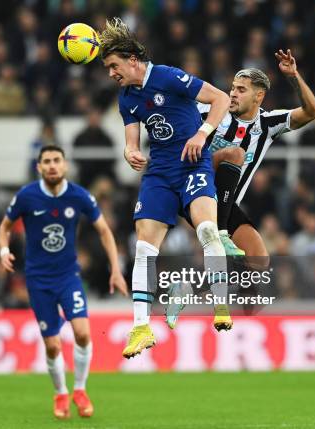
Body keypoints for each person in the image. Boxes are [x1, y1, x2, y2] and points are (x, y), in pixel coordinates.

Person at [99, 17, 232, 359]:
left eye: (114, 66)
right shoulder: (126, 98)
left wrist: (202, 134)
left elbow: (219, 99)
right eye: (107, 68)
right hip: (159, 173)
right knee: (144, 249)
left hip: (192, 165)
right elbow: (131, 141)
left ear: (132, 59)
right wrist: (130, 152)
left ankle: (221, 304)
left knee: (206, 229)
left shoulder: (168, 76)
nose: (111, 73)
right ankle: (141, 328)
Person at [166, 51, 315, 327]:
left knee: (259, 261)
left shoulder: (267, 125)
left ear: (258, 96)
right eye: (232, 88)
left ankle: (187, 289)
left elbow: (312, 112)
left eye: (240, 89)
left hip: (223, 203)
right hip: (193, 188)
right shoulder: (212, 111)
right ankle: (222, 234)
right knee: (234, 154)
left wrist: (294, 78)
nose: (232, 94)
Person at [0, 145, 127, 419]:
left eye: (57, 160)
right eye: (47, 161)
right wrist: (3, 250)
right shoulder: (27, 196)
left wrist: (115, 269)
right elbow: (5, 226)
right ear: (39, 167)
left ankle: (80, 390)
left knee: (82, 333)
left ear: (65, 165)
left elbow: (104, 231)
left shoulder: (78, 196)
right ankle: (60, 393)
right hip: (38, 280)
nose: (53, 165)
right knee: (53, 345)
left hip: (69, 277)